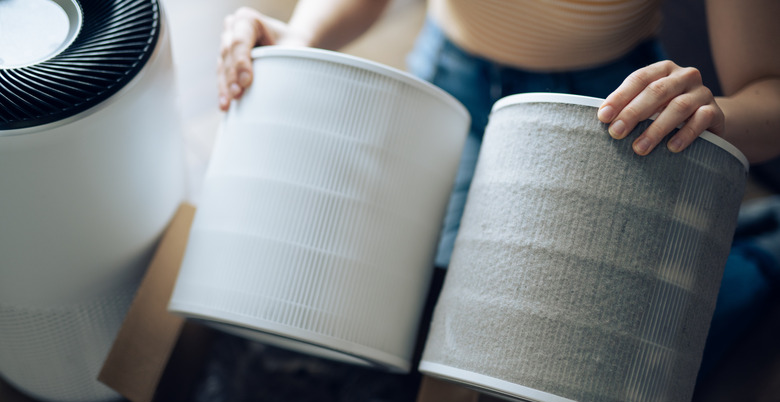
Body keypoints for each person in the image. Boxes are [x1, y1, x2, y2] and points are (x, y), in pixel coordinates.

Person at [215, 0, 780, 374]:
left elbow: (769, 95)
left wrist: (713, 116)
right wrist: (303, 38)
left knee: (576, 361)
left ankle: (762, 255)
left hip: (603, 113)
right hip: (448, 77)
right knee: (409, 319)